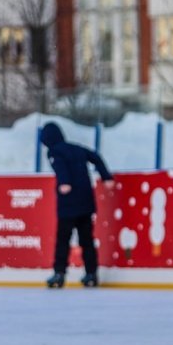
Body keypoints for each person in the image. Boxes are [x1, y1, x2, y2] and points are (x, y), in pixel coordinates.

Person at [40, 122, 114, 288]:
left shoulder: (54, 151)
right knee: (86, 239)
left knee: (63, 240)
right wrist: (106, 176)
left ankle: (59, 274)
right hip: (86, 200)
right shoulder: (76, 148)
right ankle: (91, 274)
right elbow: (95, 157)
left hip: (68, 204)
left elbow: (60, 167)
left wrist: (65, 182)